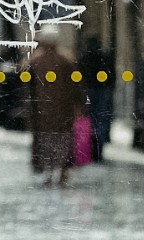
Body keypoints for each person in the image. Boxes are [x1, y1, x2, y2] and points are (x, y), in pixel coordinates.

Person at [27, 28, 85, 187]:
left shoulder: (35, 60)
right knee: (63, 140)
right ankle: (63, 172)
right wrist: (78, 105)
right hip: (63, 110)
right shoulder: (66, 58)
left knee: (46, 141)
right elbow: (76, 85)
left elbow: (26, 84)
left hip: (43, 112)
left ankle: (49, 171)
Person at [80, 37, 115, 163]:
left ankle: (92, 150)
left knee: (91, 121)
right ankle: (98, 150)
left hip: (91, 92)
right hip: (101, 91)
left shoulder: (84, 58)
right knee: (100, 121)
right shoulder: (103, 58)